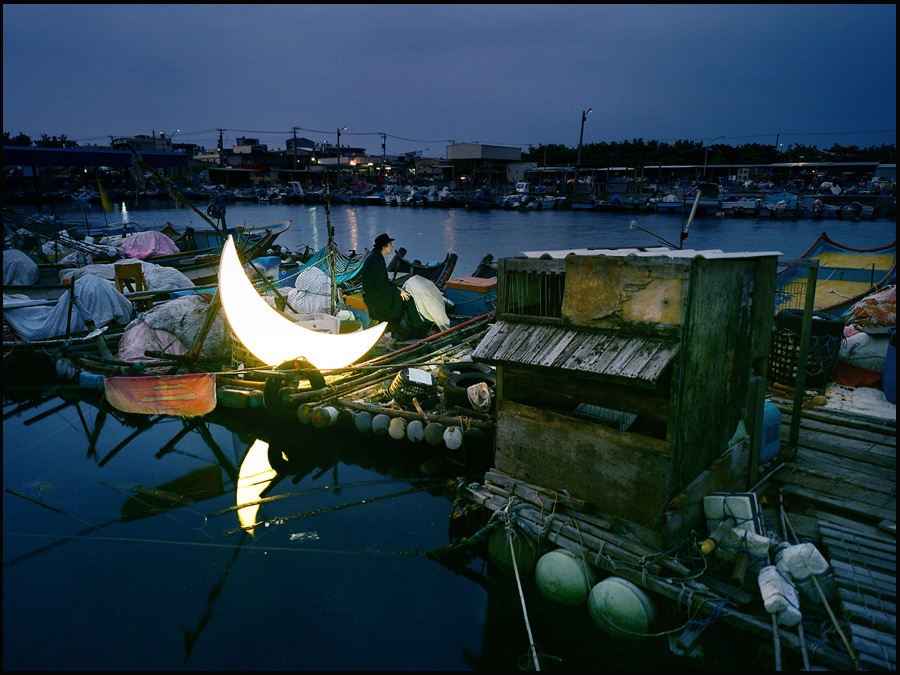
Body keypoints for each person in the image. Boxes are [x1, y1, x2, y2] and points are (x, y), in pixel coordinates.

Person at [359, 232, 429, 341]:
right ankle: (420, 332)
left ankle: (401, 327)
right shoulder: (376, 261)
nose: (392, 247)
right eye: (390, 245)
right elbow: (380, 286)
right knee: (408, 300)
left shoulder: (376, 257)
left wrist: (398, 289)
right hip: (376, 298)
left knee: (403, 295)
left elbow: (385, 282)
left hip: (378, 293)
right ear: (384, 247)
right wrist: (397, 292)